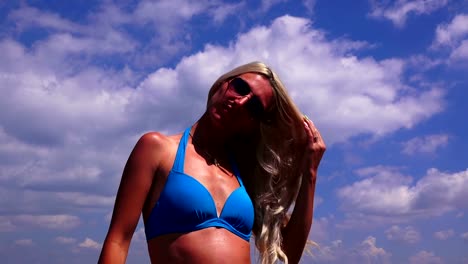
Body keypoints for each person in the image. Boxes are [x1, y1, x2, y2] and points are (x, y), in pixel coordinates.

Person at [98, 61, 326, 264]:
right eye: (240, 87)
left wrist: (310, 172)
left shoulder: (243, 175)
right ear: (222, 84)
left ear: (253, 122)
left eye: (254, 106)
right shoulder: (158, 149)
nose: (241, 101)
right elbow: (118, 241)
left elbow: (289, 256)